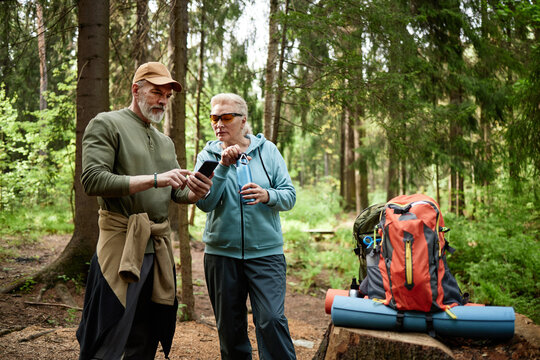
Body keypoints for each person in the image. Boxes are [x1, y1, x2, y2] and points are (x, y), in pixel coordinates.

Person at [76, 62, 213, 360]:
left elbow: (176, 191)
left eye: (167, 95)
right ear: (136, 89)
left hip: (157, 249)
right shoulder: (107, 123)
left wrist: (195, 191)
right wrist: (154, 179)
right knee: (109, 330)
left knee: (146, 333)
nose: (162, 100)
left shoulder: (164, 141)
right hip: (120, 244)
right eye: (156, 92)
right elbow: (93, 180)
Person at [195, 93, 297, 359]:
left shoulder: (268, 151)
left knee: (271, 320)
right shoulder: (207, 155)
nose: (219, 124)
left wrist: (267, 195)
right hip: (221, 255)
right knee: (230, 329)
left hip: (266, 254)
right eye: (214, 118)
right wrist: (223, 168)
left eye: (226, 117)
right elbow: (204, 204)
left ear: (243, 121)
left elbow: (289, 195)